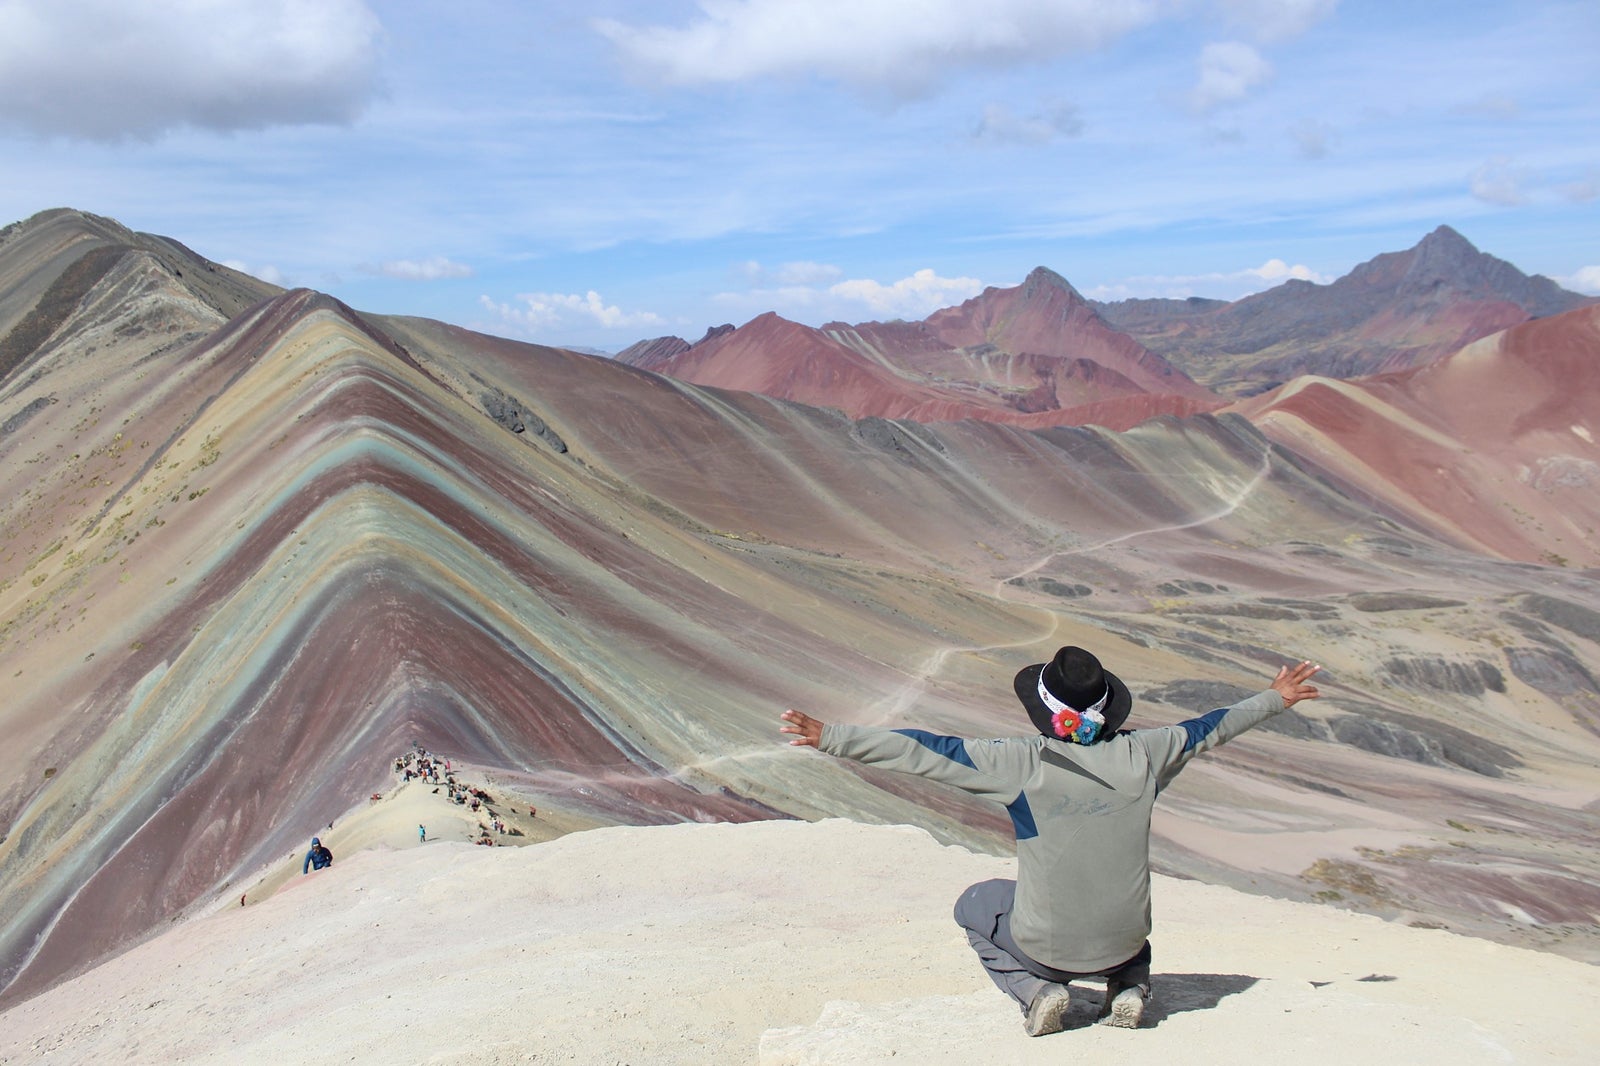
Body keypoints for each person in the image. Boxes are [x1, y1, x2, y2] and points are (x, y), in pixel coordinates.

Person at [780, 646, 1320, 1036]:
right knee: (1126, 913)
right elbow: (1211, 727)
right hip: (1125, 942)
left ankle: (1038, 994)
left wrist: (831, 736)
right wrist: (1275, 697)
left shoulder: (1017, 762)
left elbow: (926, 750)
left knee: (975, 904)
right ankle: (1130, 988)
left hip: (1049, 951)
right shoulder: (1151, 753)